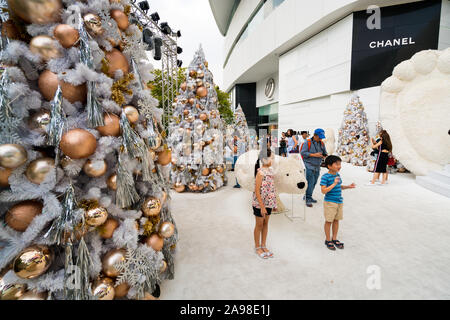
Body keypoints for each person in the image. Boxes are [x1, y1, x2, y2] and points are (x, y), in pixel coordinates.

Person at [320, 155, 356, 251]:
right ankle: (328, 240)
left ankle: (334, 238)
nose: (339, 166)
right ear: (329, 166)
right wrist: (334, 183)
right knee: (329, 221)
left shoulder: (337, 175)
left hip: (339, 201)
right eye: (336, 164)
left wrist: (348, 186)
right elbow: (323, 191)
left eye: (340, 164)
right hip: (330, 202)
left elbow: (339, 187)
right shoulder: (325, 177)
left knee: (336, 220)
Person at [252, 149, 276, 259]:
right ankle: (257, 247)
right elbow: (257, 190)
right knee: (259, 224)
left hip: (269, 203)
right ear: (264, 159)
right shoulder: (260, 172)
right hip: (259, 203)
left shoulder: (271, 171)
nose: (273, 160)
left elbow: (272, 189)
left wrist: (274, 203)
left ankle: (264, 245)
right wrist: (261, 206)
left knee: (266, 224)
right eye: (272, 158)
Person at [300, 128, 327, 207]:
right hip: (308, 165)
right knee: (310, 182)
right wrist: (314, 155)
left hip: (317, 166)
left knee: (314, 183)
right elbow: (303, 153)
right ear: (315, 135)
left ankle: (307, 196)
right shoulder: (307, 142)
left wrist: (325, 155)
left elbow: (325, 152)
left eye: (322, 137)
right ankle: (308, 198)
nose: (321, 139)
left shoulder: (321, 143)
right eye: (319, 137)